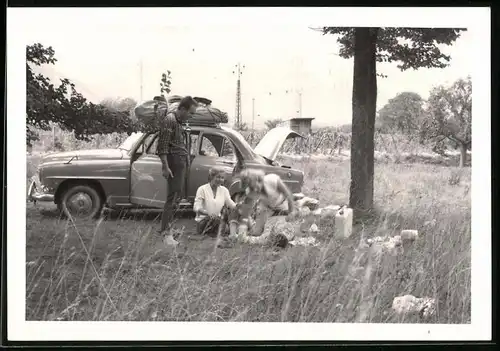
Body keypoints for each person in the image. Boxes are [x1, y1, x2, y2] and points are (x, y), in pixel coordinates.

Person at [158, 96, 198, 246]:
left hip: (180, 163)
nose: (191, 116)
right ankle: (165, 233)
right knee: (172, 197)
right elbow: (162, 146)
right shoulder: (170, 120)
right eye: (191, 113)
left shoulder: (179, 122)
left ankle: (169, 229)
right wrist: (165, 166)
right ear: (182, 109)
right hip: (173, 163)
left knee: (177, 198)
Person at [238, 169, 298, 237]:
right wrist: (243, 228)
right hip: (266, 208)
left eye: (255, 186)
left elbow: (288, 194)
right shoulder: (250, 191)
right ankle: (253, 226)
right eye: (251, 187)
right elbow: (246, 210)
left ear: (258, 179)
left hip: (282, 205)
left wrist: (291, 212)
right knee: (256, 233)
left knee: (279, 230)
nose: (255, 190)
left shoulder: (272, 180)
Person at [193, 167, 237, 238]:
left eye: (222, 178)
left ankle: (229, 232)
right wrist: (207, 213)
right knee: (220, 224)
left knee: (228, 217)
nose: (220, 180)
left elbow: (231, 204)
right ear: (211, 177)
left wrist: (241, 207)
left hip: (217, 220)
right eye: (218, 177)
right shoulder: (202, 189)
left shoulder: (224, 190)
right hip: (203, 221)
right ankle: (222, 232)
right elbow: (196, 207)